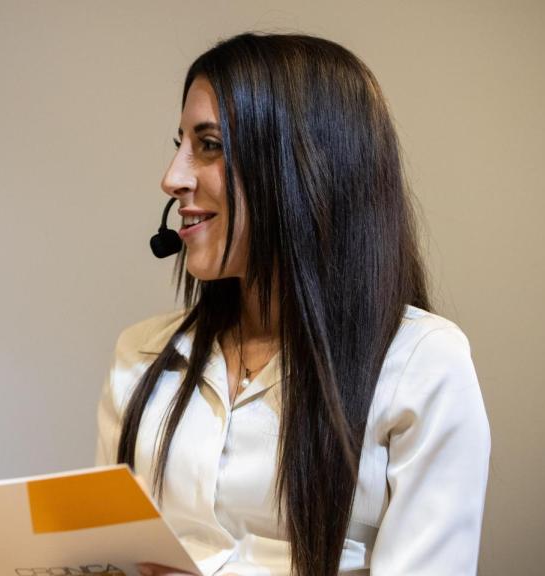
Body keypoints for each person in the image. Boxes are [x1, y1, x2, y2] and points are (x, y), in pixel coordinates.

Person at [95, 32, 491, 576]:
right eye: (180, 143)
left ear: (302, 167)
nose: (173, 177)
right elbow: (105, 557)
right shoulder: (141, 354)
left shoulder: (424, 365)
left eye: (208, 145)